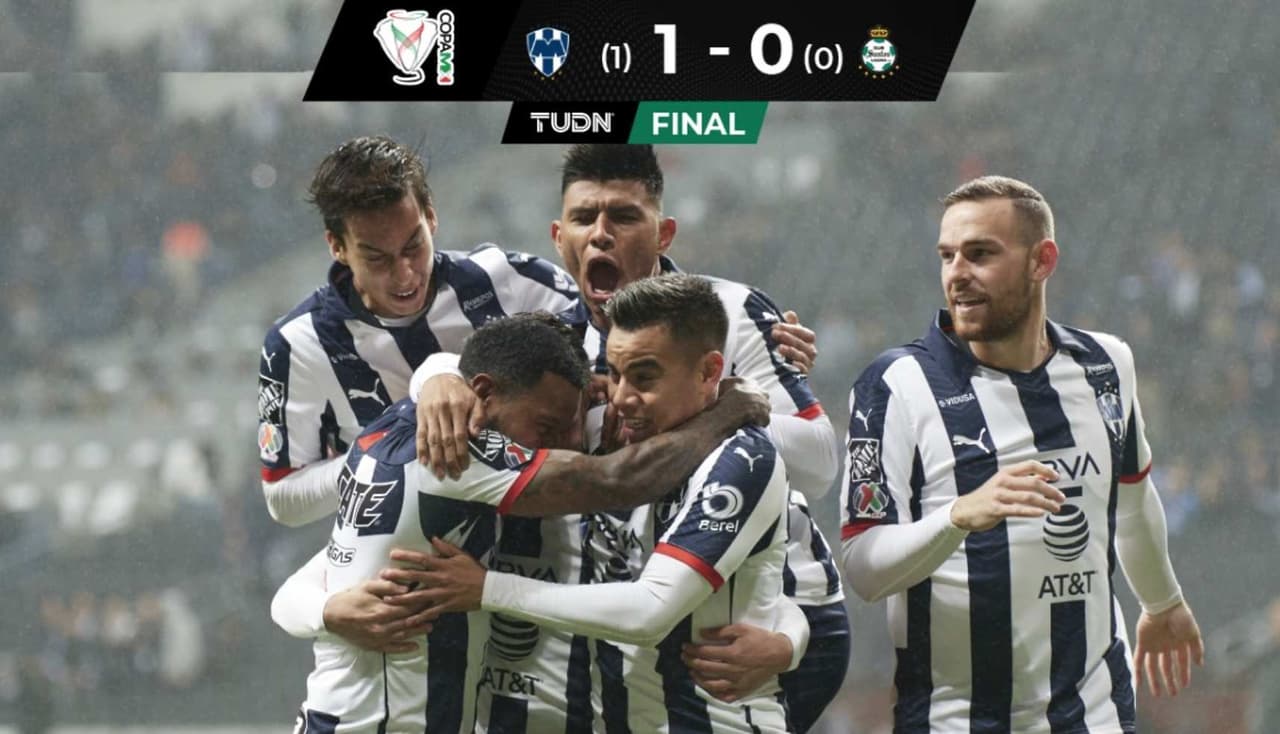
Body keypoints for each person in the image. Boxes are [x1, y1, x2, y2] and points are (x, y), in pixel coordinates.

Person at [412, 144, 850, 733]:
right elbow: (468, 359)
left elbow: (819, 463)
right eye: (583, 218)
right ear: (558, 238)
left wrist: (721, 408)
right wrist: (436, 375)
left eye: (623, 216)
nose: (601, 234)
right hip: (625, 619)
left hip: (756, 619)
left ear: (663, 233)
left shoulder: (731, 311)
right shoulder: (551, 327)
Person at [278, 312, 776, 733]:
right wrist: (727, 411)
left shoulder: (393, 429)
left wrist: (325, 612)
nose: (564, 444)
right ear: (483, 393)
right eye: (546, 426)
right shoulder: (457, 452)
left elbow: (307, 580)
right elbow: (619, 480)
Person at [840, 176, 1204, 732]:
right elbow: (863, 567)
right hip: (955, 719)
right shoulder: (895, 385)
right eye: (947, 256)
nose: (957, 273)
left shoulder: (1106, 365)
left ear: (1042, 261)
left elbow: (1131, 501)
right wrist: (957, 516)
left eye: (980, 254)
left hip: (1095, 714)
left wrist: (1162, 602)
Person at [400, 275, 799, 733]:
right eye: (615, 374)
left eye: (644, 377)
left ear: (710, 372)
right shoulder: (606, 439)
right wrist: (437, 376)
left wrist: (487, 588)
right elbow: (498, 363)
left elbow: (653, 609)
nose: (622, 397)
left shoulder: (743, 460)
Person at [257, 135, 579, 527]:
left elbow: (603, 360)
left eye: (413, 246)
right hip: (408, 558)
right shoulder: (297, 344)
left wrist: (446, 371)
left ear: (430, 216)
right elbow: (283, 497)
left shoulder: (508, 279)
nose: (405, 274)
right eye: (377, 259)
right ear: (337, 246)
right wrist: (398, 447)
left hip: (548, 539)